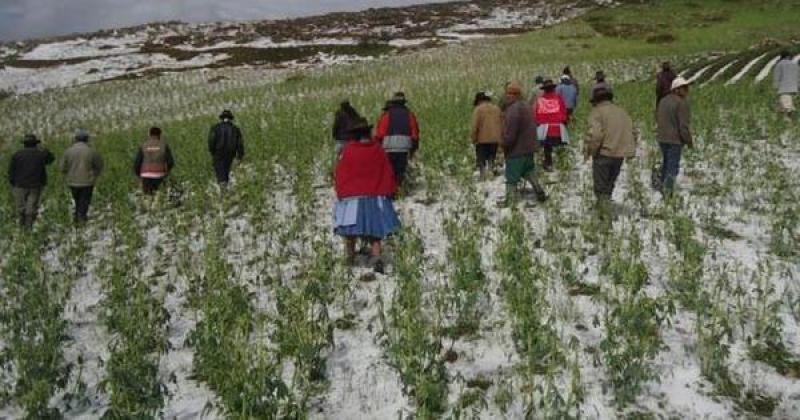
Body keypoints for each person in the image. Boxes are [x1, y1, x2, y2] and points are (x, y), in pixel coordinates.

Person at [334, 117, 401, 274]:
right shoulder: (378, 149)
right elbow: (387, 170)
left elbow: (341, 173)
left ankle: (350, 256)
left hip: (352, 196)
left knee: (349, 229)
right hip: (374, 195)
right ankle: (376, 256)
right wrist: (390, 189)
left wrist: (341, 192)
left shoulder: (348, 151)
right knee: (375, 229)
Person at [584, 88, 636, 206]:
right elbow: (633, 132)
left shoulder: (597, 112)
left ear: (596, 101)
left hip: (603, 153)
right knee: (609, 184)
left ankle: (604, 212)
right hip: (619, 155)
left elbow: (596, 135)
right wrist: (629, 151)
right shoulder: (622, 112)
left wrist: (591, 151)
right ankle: (606, 205)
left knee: (600, 187)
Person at [501, 82, 547, 206]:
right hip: (529, 147)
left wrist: (503, 144)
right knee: (529, 171)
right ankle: (539, 191)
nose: (508, 96)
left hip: (517, 150)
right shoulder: (526, 106)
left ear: (517, 95)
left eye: (512, 93)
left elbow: (510, 133)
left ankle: (510, 201)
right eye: (508, 93)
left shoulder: (513, 110)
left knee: (512, 177)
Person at [656, 77, 693, 195]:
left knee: (666, 164)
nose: (686, 91)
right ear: (676, 89)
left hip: (662, 138)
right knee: (672, 167)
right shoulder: (681, 103)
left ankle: (661, 187)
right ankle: (668, 193)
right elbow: (683, 126)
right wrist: (689, 141)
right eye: (684, 88)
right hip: (674, 140)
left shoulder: (663, 101)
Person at [8, 134, 55, 228]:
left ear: (24, 144)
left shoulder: (17, 154)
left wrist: (13, 182)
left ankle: (21, 226)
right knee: (31, 207)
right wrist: (46, 150)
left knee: (21, 208)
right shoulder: (40, 154)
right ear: (35, 144)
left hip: (20, 185)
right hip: (36, 185)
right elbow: (51, 159)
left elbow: (11, 170)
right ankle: (29, 227)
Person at [374, 92, 420, 188]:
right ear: (404, 103)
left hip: (388, 148)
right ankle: (400, 188)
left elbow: (380, 133)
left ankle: (390, 188)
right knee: (401, 171)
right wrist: (414, 148)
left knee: (390, 170)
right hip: (404, 147)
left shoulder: (387, 115)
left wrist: (378, 145)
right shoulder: (409, 115)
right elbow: (415, 133)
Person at [62, 130, 104, 224]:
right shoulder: (92, 151)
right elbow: (99, 165)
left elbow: (63, 167)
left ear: (75, 139)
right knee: (84, 200)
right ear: (87, 139)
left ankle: (77, 216)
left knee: (77, 199)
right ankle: (81, 217)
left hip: (72, 181)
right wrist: (95, 175)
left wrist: (67, 174)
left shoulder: (68, 151)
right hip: (87, 181)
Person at [534, 79, 570, 172]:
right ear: (553, 88)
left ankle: (548, 163)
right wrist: (564, 121)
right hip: (558, 127)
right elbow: (564, 112)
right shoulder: (558, 98)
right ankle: (562, 164)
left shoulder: (541, 100)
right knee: (560, 146)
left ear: (544, 90)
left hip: (545, 129)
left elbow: (537, 116)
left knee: (547, 147)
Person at [133, 127, 175, 195]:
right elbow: (170, 162)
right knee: (160, 196)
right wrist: (166, 172)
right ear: (160, 135)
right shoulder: (164, 146)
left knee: (148, 197)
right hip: (160, 175)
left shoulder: (143, 146)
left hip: (146, 176)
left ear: (149, 134)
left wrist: (139, 175)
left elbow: (137, 164)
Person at [471, 92, 503, 177]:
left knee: (481, 160)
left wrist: (473, 138)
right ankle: (490, 172)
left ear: (479, 101)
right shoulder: (497, 109)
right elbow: (502, 123)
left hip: (482, 139)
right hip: (495, 139)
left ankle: (483, 176)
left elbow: (475, 126)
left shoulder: (478, 109)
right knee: (491, 158)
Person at [208, 109, 244, 186]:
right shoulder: (235, 129)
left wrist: (212, 152)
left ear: (221, 118)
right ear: (231, 118)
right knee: (226, 171)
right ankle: (225, 186)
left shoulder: (215, 128)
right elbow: (240, 144)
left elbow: (211, 141)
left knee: (220, 173)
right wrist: (240, 156)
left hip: (218, 152)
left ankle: (223, 188)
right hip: (230, 153)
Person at [773, 50, 799, 115]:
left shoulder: (779, 64)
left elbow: (777, 76)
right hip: (793, 87)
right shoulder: (795, 64)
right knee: (785, 102)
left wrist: (776, 86)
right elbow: (798, 76)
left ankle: (789, 114)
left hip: (783, 87)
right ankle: (783, 113)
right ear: (788, 56)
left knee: (786, 105)